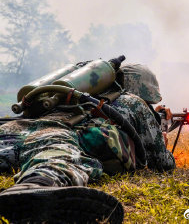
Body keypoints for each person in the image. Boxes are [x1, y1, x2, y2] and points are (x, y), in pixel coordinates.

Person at [0, 63, 175, 223]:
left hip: (19, 130)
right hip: (62, 136)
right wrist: (163, 140)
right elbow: (162, 162)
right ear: (143, 89)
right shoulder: (134, 102)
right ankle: (33, 187)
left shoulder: (73, 95)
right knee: (55, 162)